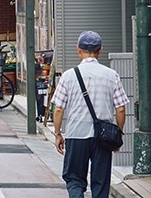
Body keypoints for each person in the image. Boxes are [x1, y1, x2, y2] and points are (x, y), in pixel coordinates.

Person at [52, 30, 128, 198]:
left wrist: (57, 134)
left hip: (76, 134)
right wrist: (118, 134)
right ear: (100, 50)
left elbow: (58, 108)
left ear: (78, 50)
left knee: (74, 179)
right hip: (103, 136)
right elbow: (121, 108)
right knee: (101, 182)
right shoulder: (111, 75)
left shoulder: (68, 76)